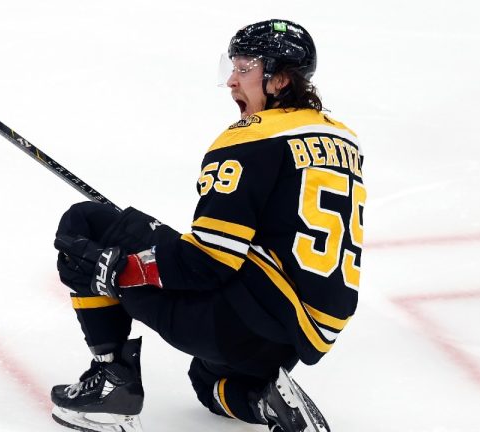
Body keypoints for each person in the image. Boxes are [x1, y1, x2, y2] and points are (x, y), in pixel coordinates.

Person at [50, 19, 365, 432]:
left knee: (86, 224)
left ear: (281, 79)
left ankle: (112, 386)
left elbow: (208, 262)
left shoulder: (252, 138)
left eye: (245, 68)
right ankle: (269, 406)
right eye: (231, 67)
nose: (232, 80)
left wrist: (119, 268)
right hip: (291, 341)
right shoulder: (344, 139)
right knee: (208, 382)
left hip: (237, 321)